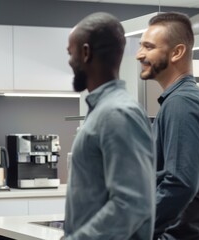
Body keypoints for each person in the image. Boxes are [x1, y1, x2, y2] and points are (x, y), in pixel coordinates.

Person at [63, 12, 155, 239]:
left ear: (86, 53)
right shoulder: (103, 112)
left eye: (70, 52)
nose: (69, 61)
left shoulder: (117, 114)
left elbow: (132, 203)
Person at [136, 12, 199, 240]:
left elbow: (180, 182)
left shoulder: (181, 103)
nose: (139, 55)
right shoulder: (182, 101)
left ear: (177, 52)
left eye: (148, 47)